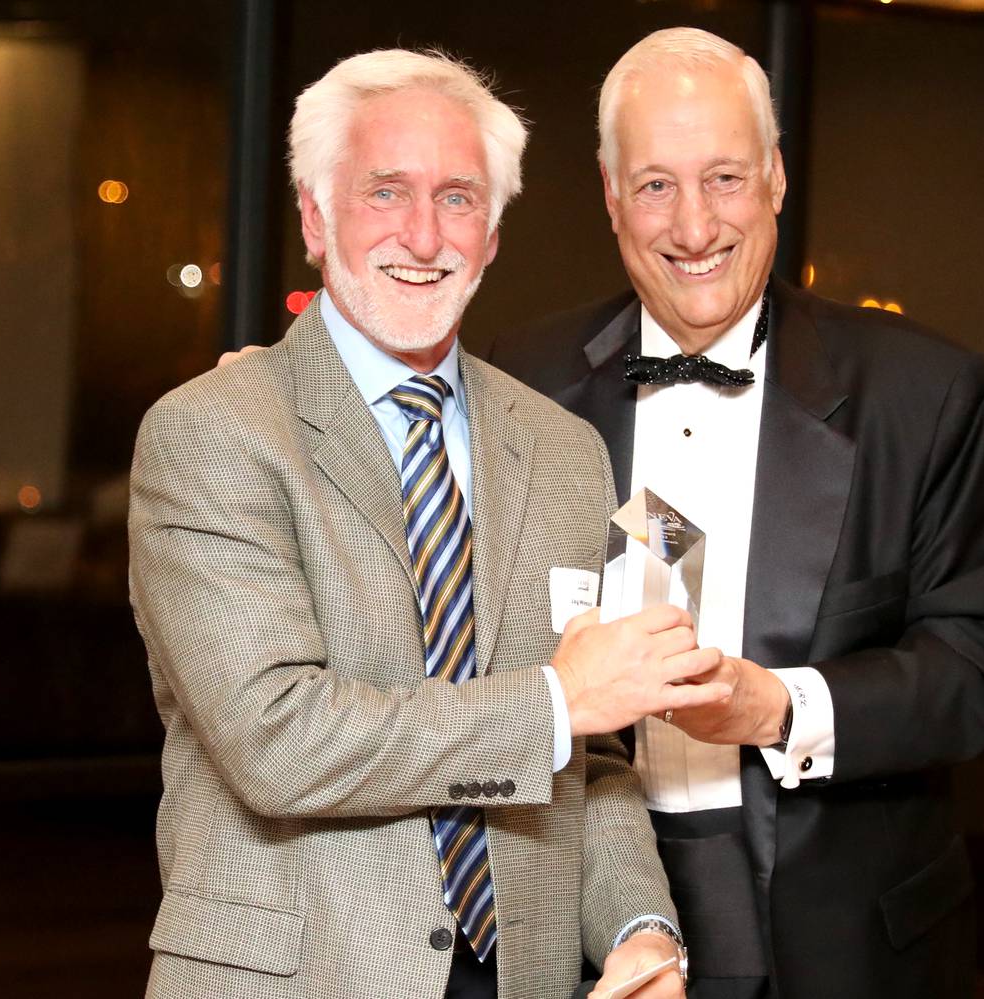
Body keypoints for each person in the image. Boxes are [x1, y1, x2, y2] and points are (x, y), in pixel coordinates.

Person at [129, 48, 732, 999]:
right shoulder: (212, 431)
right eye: (386, 192)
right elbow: (276, 739)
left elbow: (595, 744)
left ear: (492, 234)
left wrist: (639, 927)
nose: (423, 233)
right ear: (315, 217)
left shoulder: (564, 450)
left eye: (458, 198)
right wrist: (553, 703)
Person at [487, 28, 984, 999]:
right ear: (610, 196)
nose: (694, 226)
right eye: (655, 185)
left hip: (841, 943)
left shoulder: (927, 395)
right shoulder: (517, 388)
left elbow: (977, 671)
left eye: (726, 178)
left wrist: (779, 708)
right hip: (584, 926)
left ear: (778, 178)